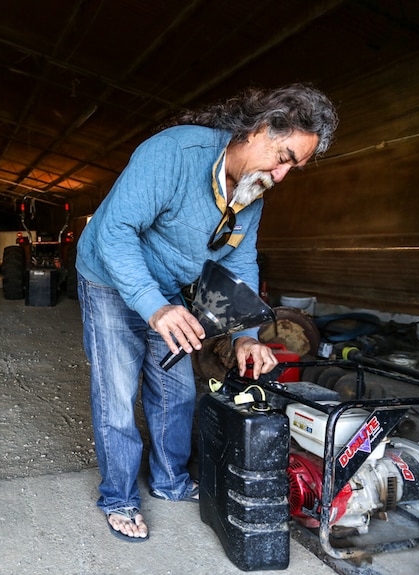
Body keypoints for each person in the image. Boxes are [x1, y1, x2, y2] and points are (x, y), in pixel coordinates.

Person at [75, 83, 338, 542]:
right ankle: (118, 497)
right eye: (283, 157)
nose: (280, 175)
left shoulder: (252, 190)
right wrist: (154, 307)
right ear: (258, 129)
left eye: (293, 167)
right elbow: (114, 231)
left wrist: (247, 335)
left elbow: (238, 260)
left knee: (174, 389)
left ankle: (169, 481)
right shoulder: (173, 154)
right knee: (117, 392)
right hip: (109, 276)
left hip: (167, 287)